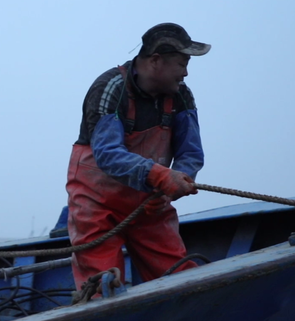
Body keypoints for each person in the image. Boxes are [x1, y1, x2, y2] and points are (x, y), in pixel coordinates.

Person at [66, 23, 209, 290]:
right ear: (156, 61)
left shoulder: (181, 96)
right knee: (102, 286)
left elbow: (190, 153)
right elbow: (107, 154)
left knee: (180, 278)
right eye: (182, 64)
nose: (185, 73)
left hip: (151, 204)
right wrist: (160, 176)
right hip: (97, 205)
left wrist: (170, 189)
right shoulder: (110, 88)